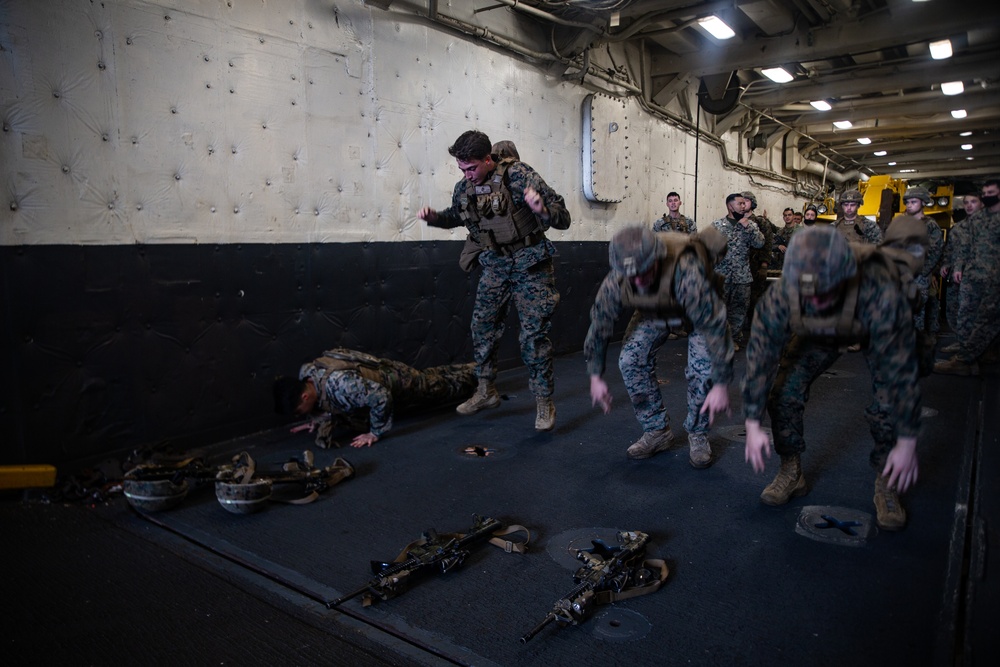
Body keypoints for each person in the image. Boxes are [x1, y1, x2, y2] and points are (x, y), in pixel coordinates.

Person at [742, 221, 927, 531]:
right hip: (819, 332)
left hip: (870, 328)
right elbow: (760, 357)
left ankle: (887, 479)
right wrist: (750, 422)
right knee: (783, 391)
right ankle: (791, 471)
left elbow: (901, 372)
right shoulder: (783, 295)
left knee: (887, 405)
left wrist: (907, 441)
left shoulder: (881, 287)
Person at [418, 130, 571, 430]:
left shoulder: (519, 176)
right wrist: (436, 219)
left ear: (488, 160)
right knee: (482, 326)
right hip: (496, 264)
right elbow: (457, 215)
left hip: (531, 264)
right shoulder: (464, 188)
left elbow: (563, 217)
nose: (467, 175)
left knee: (533, 337)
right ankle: (486, 390)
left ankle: (543, 401)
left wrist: (542, 209)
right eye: (462, 169)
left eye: (472, 168)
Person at [585, 226, 734, 467]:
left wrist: (721, 381)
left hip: (696, 314)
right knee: (630, 360)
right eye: (632, 276)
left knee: (704, 372)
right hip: (655, 309)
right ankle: (657, 431)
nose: (639, 280)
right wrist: (595, 375)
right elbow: (600, 323)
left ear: (658, 258)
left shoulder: (687, 271)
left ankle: (697, 432)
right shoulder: (618, 278)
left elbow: (715, 327)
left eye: (645, 271)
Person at [273, 348, 478, 448]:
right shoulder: (306, 374)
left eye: (300, 410)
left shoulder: (342, 386)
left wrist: (375, 432)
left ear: (305, 396)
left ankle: (480, 374)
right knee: (430, 377)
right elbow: (322, 401)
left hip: (397, 382)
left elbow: (380, 396)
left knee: (442, 388)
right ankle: (473, 367)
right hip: (383, 372)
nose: (301, 414)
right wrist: (315, 418)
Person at [935, 179, 1000, 375]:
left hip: (994, 279)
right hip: (975, 276)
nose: (988, 196)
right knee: (967, 316)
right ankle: (968, 355)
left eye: (991, 193)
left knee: (986, 319)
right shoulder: (974, 223)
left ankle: (972, 356)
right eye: (985, 193)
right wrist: (955, 266)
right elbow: (961, 248)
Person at [711, 193, 764, 351]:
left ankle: (733, 339)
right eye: (740, 203)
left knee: (739, 310)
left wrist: (748, 227)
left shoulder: (750, 225)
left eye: (744, 204)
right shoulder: (717, 225)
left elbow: (760, 243)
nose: (743, 206)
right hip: (722, 276)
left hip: (742, 277)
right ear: (730, 206)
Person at [900, 186, 945, 347]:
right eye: (907, 202)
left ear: (923, 203)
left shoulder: (930, 225)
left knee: (917, 314)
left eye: (913, 202)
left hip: (918, 277)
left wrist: (924, 272)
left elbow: (936, 250)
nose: (909, 205)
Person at [939, 192, 983, 353]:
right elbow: (950, 250)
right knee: (954, 309)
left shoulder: (989, 227)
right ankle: (962, 341)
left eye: (973, 202)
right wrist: (946, 264)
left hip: (978, 277)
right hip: (956, 277)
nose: (969, 205)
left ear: (982, 204)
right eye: (966, 202)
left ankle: (977, 347)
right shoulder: (958, 228)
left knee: (977, 312)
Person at [744, 191, 776, 336]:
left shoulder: (760, 222)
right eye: (741, 200)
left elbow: (768, 244)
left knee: (755, 298)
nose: (743, 203)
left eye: (747, 200)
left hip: (755, 266)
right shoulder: (734, 221)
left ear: (753, 203)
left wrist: (764, 265)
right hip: (739, 268)